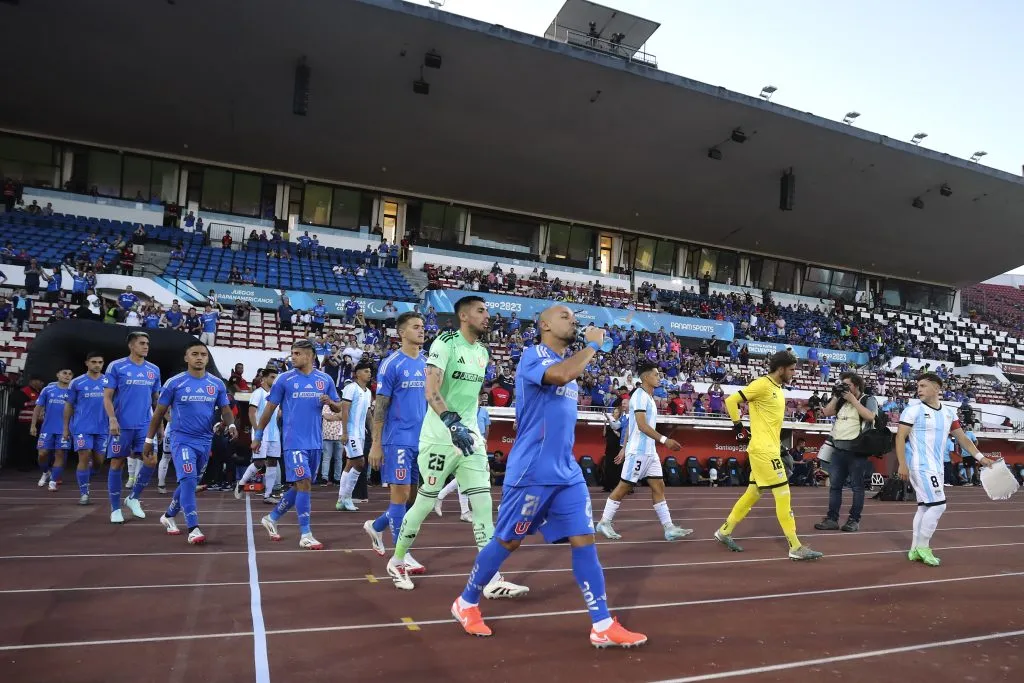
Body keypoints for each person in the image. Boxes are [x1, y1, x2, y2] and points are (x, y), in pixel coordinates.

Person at [451, 305, 646, 647]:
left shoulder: (569, 362)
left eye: (573, 316)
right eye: (564, 316)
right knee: (509, 541)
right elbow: (559, 376)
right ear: (544, 324)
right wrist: (594, 346)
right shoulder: (533, 356)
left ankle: (601, 624)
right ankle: (466, 602)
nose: (572, 320)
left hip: (566, 472)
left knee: (585, 540)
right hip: (532, 471)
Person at [387, 295, 528, 598]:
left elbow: (471, 398)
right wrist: (452, 424)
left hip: (469, 438)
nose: (487, 316)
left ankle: (491, 578)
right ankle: (397, 561)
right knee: (425, 501)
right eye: (481, 311)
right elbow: (431, 390)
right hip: (439, 435)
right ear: (464, 316)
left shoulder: (483, 352)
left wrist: (471, 429)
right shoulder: (444, 343)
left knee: (483, 506)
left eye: (487, 310)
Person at [713, 350, 822, 560]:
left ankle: (724, 531)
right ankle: (795, 546)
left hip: (768, 448)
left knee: (753, 493)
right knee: (784, 495)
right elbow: (731, 401)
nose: (793, 373)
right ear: (780, 369)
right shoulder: (762, 384)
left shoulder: (777, 388)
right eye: (791, 369)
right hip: (763, 451)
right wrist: (738, 428)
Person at [896, 372, 994, 566]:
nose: (919, 389)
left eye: (923, 386)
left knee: (925, 507)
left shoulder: (949, 412)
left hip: (937, 467)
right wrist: (902, 464)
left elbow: (962, 438)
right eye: (918, 386)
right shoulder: (912, 410)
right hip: (921, 466)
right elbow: (900, 437)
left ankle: (915, 549)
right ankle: (924, 548)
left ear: (936, 388)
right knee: (939, 505)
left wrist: (981, 458)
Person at [251, 339, 342, 550]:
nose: (293, 357)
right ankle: (306, 534)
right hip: (293, 442)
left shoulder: (325, 379)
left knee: (300, 485)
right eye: (292, 353)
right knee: (304, 484)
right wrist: (258, 435)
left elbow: (339, 408)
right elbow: (269, 410)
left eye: (298, 354)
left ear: (310, 356)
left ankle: (272, 518)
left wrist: (331, 402)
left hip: (315, 442)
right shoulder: (284, 379)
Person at [144, 340, 235, 544]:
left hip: (205, 440)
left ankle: (168, 516)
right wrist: (149, 439)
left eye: (203, 354)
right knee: (187, 479)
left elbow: (226, 410)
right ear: (186, 358)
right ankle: (193, 527)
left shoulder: (216, 384)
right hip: (181, 439)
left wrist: (231, 425)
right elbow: (159, 413)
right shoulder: (174, 383)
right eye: (195, 354)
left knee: (190, 481)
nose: (200, 357)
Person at [595, 362, 691, 541]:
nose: (659, 377)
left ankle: (669, 527)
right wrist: (665, 440)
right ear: (646, 377)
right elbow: (641, 425)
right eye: (656, 374)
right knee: (624, 487)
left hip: (650, 452)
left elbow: (632, 427)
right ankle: (604, 522)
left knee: (658, 486)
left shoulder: (649, 397)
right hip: (639, 451)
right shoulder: (639, 396)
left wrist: (625, 447)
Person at [365, 312, 428, 574]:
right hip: (398, 440)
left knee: (414, 501)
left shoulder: (428, 363)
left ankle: (376, 526)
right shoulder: (391, 364)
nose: (422, 330)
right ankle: (402, 555)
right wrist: (376, 444)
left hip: (422, 441)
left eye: (423, 327)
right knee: (400, 498)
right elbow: (381, 406)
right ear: (401, 332)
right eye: (416, 327)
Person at [104, 331, 162, 524]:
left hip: (145, 424)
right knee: (117, 463)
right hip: (122, 424)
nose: (146, 346)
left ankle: (133, 498)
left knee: (151, 460)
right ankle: (115, 508)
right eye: (142, 343)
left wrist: (159, 424)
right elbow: (107, 397)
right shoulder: (117, 366)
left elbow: (156, 401)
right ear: (131, 345)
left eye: (147, 343)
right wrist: (112, 419)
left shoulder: (153, 369)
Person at [814, 371, 879, 532]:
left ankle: (854, 520)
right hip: (838, 449)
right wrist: (837, 396)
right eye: (843, 384)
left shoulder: (868, 399)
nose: (845, 387)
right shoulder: (841, 400)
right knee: (835, 486)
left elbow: (871, 417)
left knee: (857, 487)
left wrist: (853, 400)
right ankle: (832, 519)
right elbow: (827, 412)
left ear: (856, 385)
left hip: (857, 451)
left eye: (848, 385)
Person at [63, 352, 109, 505]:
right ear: (87, 363)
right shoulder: (76, 382)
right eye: (94, 362)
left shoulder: (108, 381)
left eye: (100, 362)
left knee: (98, 461)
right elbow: (69, 405)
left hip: (103, 427)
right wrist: (65, 428)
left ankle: (89, 473)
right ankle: (84, 493)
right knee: (84, 454)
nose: (97, 365)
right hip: (82, 427)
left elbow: (116, 403)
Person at [235, 368, 282, 504]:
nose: (275, 380)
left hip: (274, 433)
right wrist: (257, 433)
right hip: (261, 433)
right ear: (264, 378)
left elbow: (278, 414)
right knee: (259, 462)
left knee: (273, 462)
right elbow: (251, 413)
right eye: (272, 377)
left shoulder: (276, 395)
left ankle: (268, 495)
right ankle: (242, 483)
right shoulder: (258, 393)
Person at [335, 360, 374, 511]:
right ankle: (347, 497)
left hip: (360, 433)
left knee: (350, 464)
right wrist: (344, 432)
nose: (369, 373)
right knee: (360, 463)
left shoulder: (368, 392)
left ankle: (340, 499)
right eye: (366, 371)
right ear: (357, 373)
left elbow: (368, 415)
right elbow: (344, 411)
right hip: (350, 432)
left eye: (370, 371)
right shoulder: (350, 388)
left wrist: (373, 432)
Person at [31, 368, 74, 492]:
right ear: (58, 375)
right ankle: (45, 472)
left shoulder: (74, 391)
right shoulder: (48, 389)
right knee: (42, 454)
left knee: (60, 454)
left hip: (65, 429)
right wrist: (33, 425)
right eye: (64, 373)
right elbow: (38, 408)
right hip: (47, 428)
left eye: (70, 374)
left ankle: (54, 481)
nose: (67, 376)